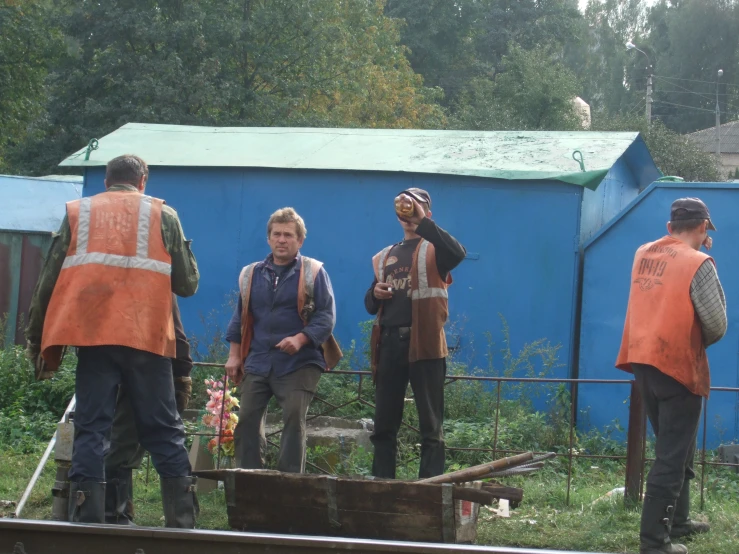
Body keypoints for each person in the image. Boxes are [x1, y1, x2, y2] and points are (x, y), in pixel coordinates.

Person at [25, 154, 200, 527]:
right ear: (143, 181)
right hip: (147, 338)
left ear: (106, 181)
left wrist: (35, 339)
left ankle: (87, 521)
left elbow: (47, 280)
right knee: (164, 428)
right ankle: (183, 525)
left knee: (92, 426)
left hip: (95, 338)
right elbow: (187, 284)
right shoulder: (163, 215)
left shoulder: (79, 213)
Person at [616, 197, 727, 554]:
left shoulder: (642, 253)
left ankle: (678, 521)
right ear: (703, 228)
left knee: (678, 449)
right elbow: (717, 323)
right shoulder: (700, 263)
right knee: (671, 457)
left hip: (644, 362)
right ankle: (654, 542)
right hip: (679, 365)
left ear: (669, 228)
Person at [225, 207, 341, 473]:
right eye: (276, 234)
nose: (282, 240)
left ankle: (288, 488)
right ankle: (250, 483)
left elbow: (326, 317)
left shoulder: (313, 271)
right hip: (259, 359)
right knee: (246, 421)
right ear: (268, 238)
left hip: (299, 362)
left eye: (288, 235)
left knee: (293, 420)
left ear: (300, 241)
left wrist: (301, 339)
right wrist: (234, 355)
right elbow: (240, 318)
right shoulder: (250, 274)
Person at [364, 187, 466, 479]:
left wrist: (424, 224)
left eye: (417, 207)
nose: (409, 212)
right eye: (406, 207)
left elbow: (459, 253)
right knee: (384, 425)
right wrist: (376, 292)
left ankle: (429, 490)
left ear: (428, 213)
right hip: (389, 345)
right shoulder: (385, 256)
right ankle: (381, 488)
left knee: (430, 426)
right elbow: (369, 305)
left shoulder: (437, 249)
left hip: (426, 345)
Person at [103, 294, 193, 525]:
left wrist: (182, 371)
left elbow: (172, 322)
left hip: (133, 362)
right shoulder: (153, 266)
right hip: (145, 361)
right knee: (160, 439)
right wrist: (182, 371)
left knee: (124, 444)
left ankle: (116, 516)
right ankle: (180, 523)